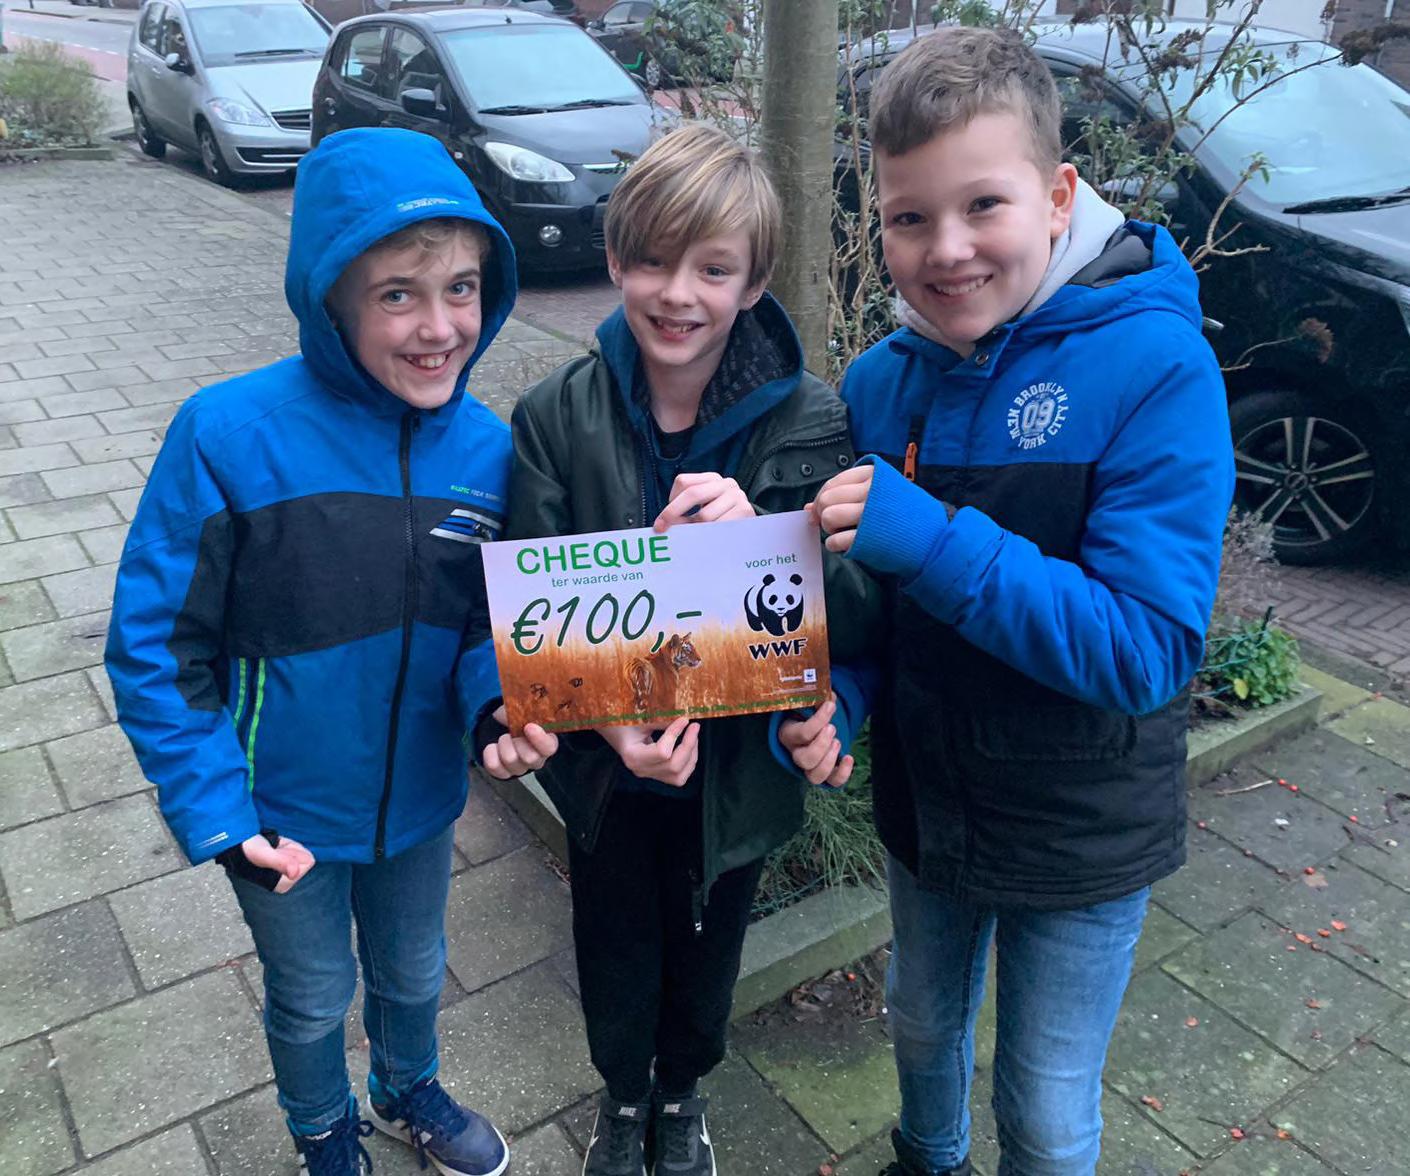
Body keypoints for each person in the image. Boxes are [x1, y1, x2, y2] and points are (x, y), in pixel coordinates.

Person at [810, 27, 1235, 1176]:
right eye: (909, 217)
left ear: (1057, 197)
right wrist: (838, 694)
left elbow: (1146, 650)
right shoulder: (881, 382)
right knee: (919, 1024)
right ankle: (926, 1157)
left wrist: (932, 538)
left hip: (1079, 830)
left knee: (1045, 1110)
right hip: (928, 803)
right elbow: (873, 605)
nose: (946, 250)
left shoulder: (1157, 369)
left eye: (983, 205)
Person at [104, 127, 557, 1176]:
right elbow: (156, 647)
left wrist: (495, 707)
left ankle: (407, 1087)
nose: (439, 326)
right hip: (280, 815)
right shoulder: (226, 436)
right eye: (398, 294)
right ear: (330, 298)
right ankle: (321, 1129)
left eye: (461, 288)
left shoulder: (490, 451)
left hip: (419, 805)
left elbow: (487, 624)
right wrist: (219, 811)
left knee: (414, 969)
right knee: (310, 996)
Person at [500, 123, 881, 1176]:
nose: (679, 294)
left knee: (709, 959)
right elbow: (533, 621)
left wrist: (764, 537)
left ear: (753, 283)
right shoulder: (554, 416)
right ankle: (625, 1097)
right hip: (610, 773)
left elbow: (855, 612)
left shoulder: (811, 420)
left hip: (738, 772)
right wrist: (608, 730)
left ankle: (683, 1095)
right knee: (615, 946)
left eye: (713, 270)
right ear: (615, 258)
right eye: (655, 261)